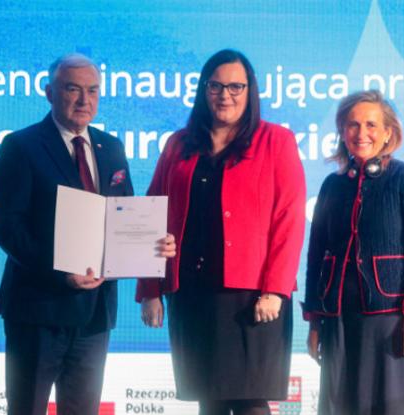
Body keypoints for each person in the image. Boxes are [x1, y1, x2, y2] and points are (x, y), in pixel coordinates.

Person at [0, 53, 175, 415]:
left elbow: (124, 216)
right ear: (50, 93)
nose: (83, 100)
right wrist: (60, 272)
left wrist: (154, 245)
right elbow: (7, 226)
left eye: (92, 91)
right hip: (38, 311)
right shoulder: (21, 146)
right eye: (72, 89)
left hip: (95, 314)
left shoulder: (112, 148)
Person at [136, 49, 306, 415]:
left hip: (252, 298)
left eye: (235, 87)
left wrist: (275, 290)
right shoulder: (178, 144)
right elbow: (151, 215)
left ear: (250, 90)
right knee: (208, 402)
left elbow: (289, 221)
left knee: (250, 403)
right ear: (203, 90)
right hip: (191, 293)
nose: (224, 95)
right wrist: (149, 290)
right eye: (215, 86)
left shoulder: (276, 141)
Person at [303, 90, 404, 415]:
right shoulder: (332, 185)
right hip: (338, 317)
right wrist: (315, 321)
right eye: (352, 124)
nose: (360, 132)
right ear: (342, 131)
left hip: (392, 318)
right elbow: (316, 254)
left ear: (388, 132)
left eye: (371, 125)